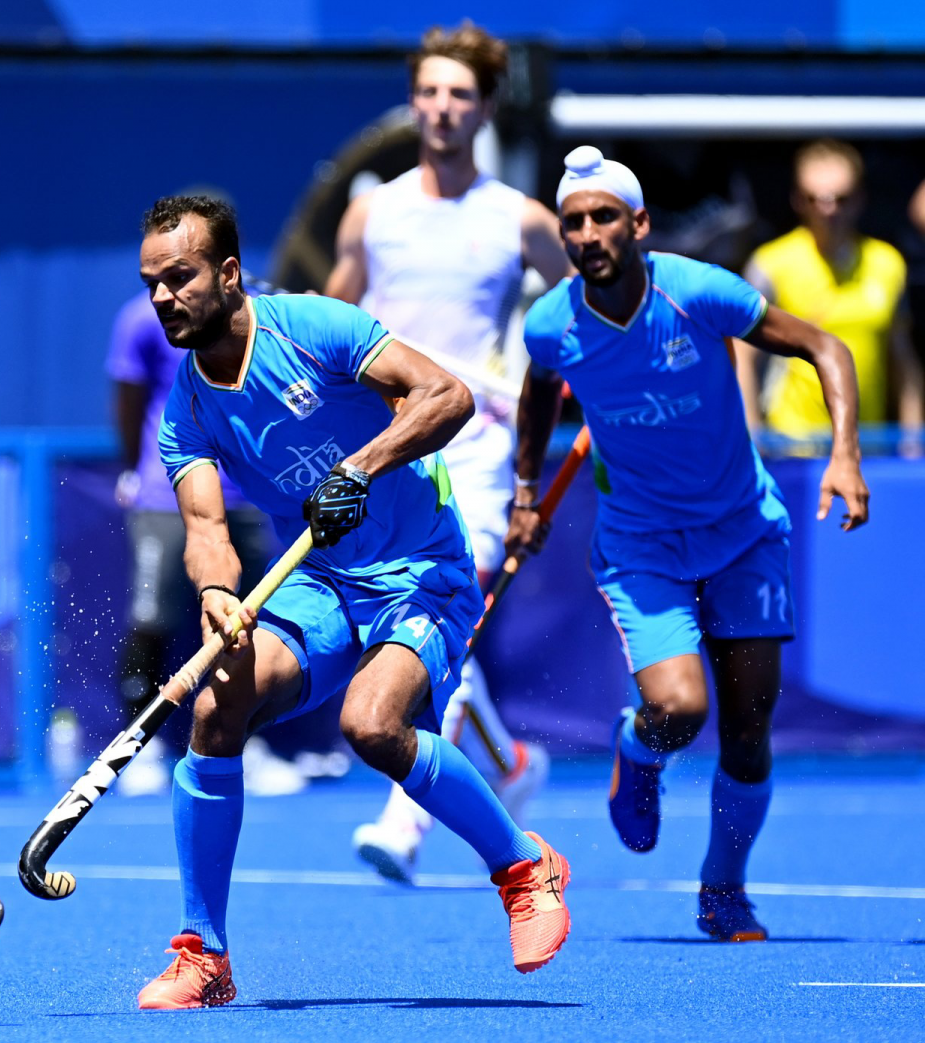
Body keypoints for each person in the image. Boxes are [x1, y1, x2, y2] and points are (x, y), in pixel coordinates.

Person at [135, 194, 571, 1010]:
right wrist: (219, 589)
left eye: (181, 277)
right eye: (152, 283)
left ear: (228, 273)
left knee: (371, 725)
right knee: (215, 709)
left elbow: (445, 396)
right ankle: (205, 954)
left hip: (420, 566)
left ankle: (521, 864)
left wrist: (360, 469)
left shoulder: (312, 326)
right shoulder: (186, 410)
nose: (164, 297)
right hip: (321, 580)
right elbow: (204, 524)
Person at [512, 147, 870, 943]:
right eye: (573, 222)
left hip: (744, 532)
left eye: (604, 216)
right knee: (677, 710)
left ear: (638, 225)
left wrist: (844, 454)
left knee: (747, 733)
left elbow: (827, 348)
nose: (587, 233)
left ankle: (723, 889)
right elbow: (537, 396)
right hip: (642, 545)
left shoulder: (700, 291)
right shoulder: (551, 324)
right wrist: (526, 493)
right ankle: (637, 750)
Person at [323, 21, 574, 879]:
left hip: (478, 445)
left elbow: (579, 318)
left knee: (436, 619)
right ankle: (509, 766)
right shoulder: (373, 211)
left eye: (459, 94)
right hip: (393, 450)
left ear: (486, 107)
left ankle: (406, 820)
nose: (440, 108)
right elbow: (332, 326)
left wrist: (563, 381)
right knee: (421, 633)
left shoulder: (520, 219)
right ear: (413, 102)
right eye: (428, 92)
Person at [106, 284, 305, 798]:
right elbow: (129, 402)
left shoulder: (265, 315)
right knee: (152, 620)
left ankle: (246, 745)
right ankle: (139, 748)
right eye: (156, 275)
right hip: (164, 493)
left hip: (248, 495)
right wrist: (135, 469)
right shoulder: (139, 319)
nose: (168, 288)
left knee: (251, 622)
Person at [735, 139, 923, 449]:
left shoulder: (887, 263)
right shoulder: (772, 264)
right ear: (797, 200)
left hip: (867, 447)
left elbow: (901, 357)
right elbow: (743, 356)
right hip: (793, 448)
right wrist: (754, 440)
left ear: (860, 199)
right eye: (814, 199)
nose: (828, 210)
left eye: (841, 198)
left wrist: (912, 441)